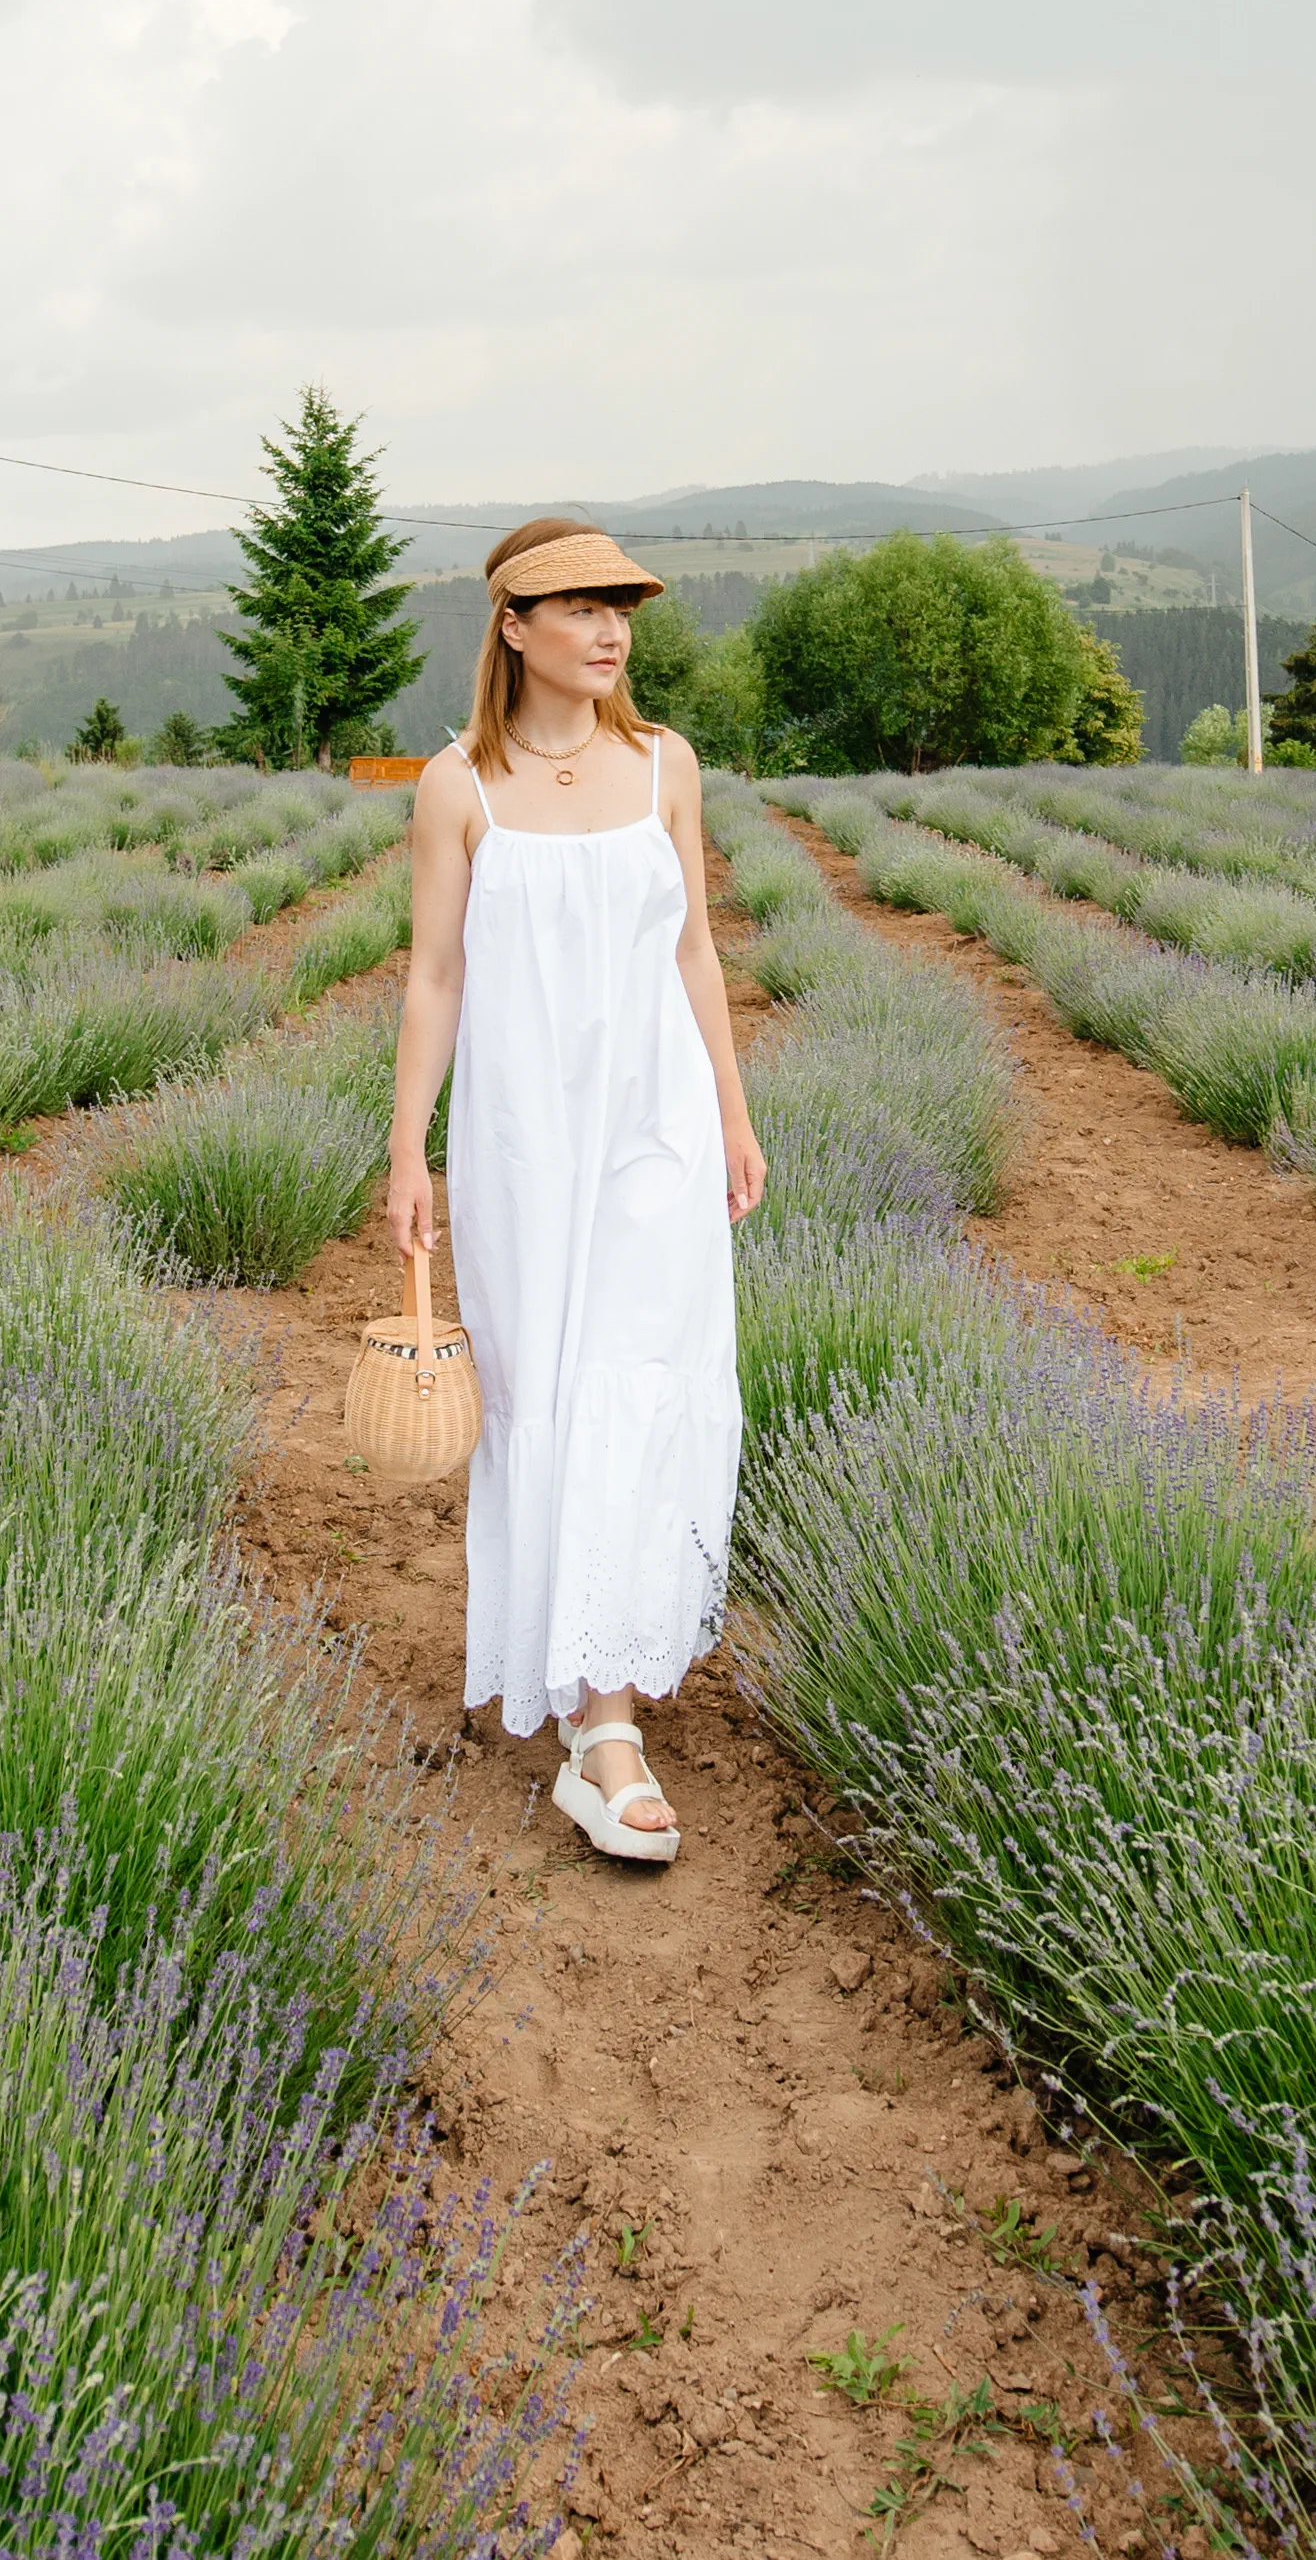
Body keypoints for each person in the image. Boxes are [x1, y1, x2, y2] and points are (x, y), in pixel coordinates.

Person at [388, 518, 764, 1864]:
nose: (608, 630)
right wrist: (406, 1150)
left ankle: (607, 1729)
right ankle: (578, 1692)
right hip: (523, 1141)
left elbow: (697, 953)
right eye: (578, 607)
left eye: (622, 608)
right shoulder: (457, 791)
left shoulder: (667, 765)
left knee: (637, 1376)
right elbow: (434, 980)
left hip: (653, 1130)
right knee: (545, 1389)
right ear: (511, 625)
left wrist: (729, 1108)